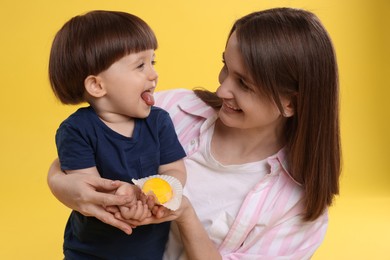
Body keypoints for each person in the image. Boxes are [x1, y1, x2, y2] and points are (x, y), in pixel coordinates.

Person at [48, 7, 341, 259]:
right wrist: (63, 187)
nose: (221, 89)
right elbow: (80, 152)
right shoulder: (170, 108)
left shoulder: (296, 209)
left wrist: (184, 213)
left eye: (245, 84)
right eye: (225, 67)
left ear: (291, 103)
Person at [48, 10, 187, 259]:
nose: (153, 74)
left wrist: (161, 196)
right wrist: (127, 202)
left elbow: (175, 171)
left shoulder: (159, 121)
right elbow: (89, 190)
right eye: (140, 65)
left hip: (151, 251)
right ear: (97, 85)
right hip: (90, 252)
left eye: (152, 62)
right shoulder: (76, 130)